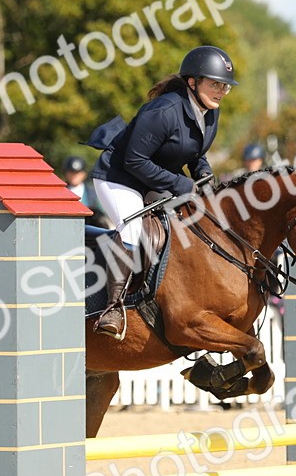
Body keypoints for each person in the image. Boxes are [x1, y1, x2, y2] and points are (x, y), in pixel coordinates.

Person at [86, 45, 237, 338]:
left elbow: (194, 152)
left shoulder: (209, 113)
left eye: (225, 86)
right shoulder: (163, 111)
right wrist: (183, 184)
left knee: (196, 225)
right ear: (192, 82)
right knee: (131, 229)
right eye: (215, 84)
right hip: (118, 178)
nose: (221, 91)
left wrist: (202, 173)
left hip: (156, 180)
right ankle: (113, 308)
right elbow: (133, 160)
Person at [61, 156, 111, 229]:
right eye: (71, 172)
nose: (74, 176)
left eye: (77, 173)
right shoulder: (61, 192)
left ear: (84, 174)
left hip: (91, 228)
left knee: (105, 238)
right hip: (68, 227)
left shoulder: (93, 193)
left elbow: (104, 212)